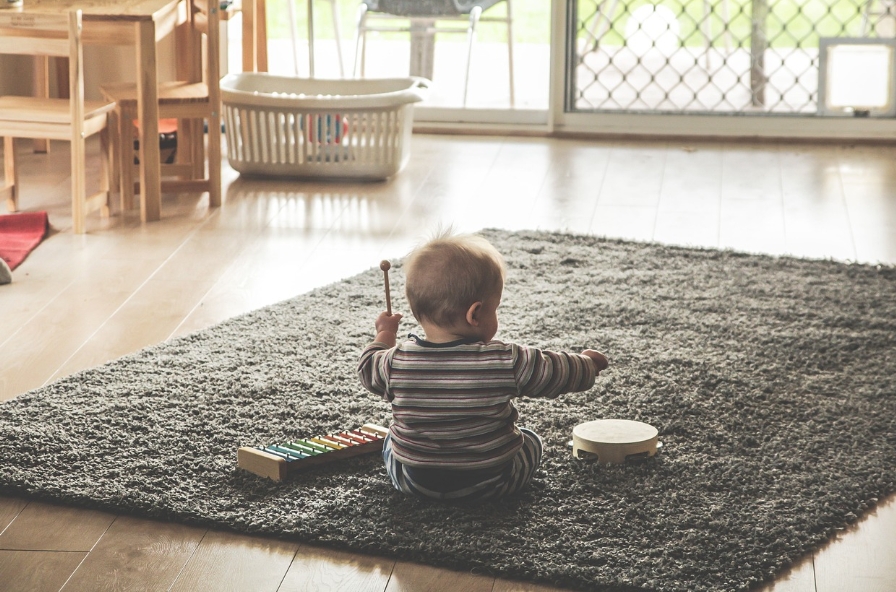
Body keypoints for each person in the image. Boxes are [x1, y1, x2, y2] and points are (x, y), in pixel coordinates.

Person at [357, 230, 609, 501]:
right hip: (493, 482)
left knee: (390, 442)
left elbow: (367, 367)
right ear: (475, 313)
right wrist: (588, 364)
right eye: (495, 308)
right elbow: (554, 370)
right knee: (531, 440)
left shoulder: (394, 362)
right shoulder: (505, 360)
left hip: (415, 482)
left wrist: (385, 334)